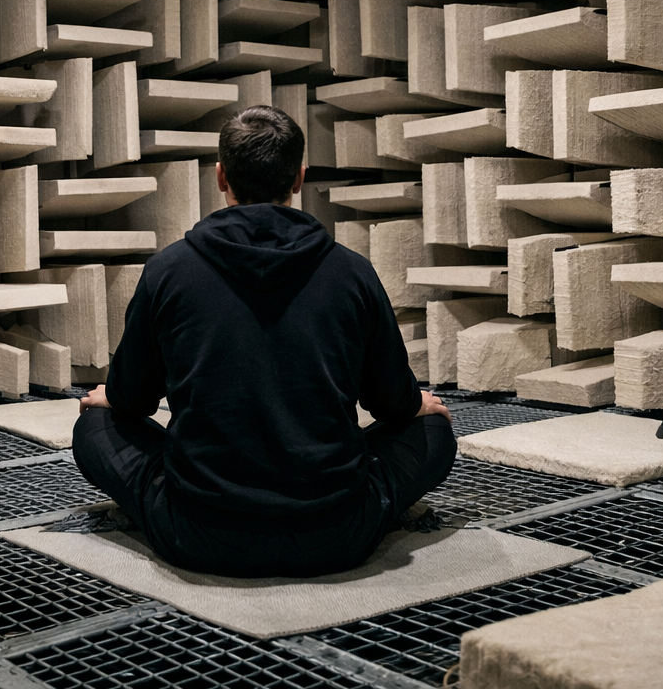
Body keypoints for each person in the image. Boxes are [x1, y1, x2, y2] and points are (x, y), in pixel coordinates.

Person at [71, 105, 456, 578]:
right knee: (434, 433)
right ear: (298, 178)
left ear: (219, 176)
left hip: (196, 533)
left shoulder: (168, 270)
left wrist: (110, 396)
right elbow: (392, 404)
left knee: (94, 428)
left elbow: (132, 402)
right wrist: (417, 405)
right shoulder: (352, 271)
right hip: (336, 534)